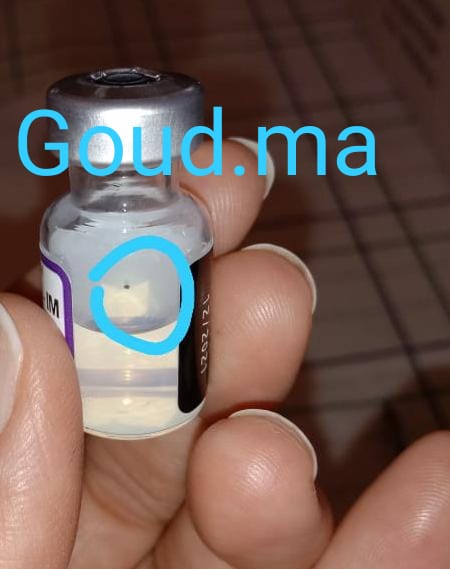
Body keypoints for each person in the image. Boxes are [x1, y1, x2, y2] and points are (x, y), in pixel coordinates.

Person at [0, 139, 449, 568]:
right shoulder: (68, 227)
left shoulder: (182, 222)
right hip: (82, 433)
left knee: (253, 448)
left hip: (117, 442)